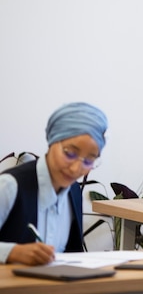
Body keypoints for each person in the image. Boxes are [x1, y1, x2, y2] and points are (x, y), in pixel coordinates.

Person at [0, 102, 108, 265]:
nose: (75, 168)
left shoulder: (74, 192)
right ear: (52, 141)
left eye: (88, 160)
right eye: (70, 153)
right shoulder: (10, 186)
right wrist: (12, 252)